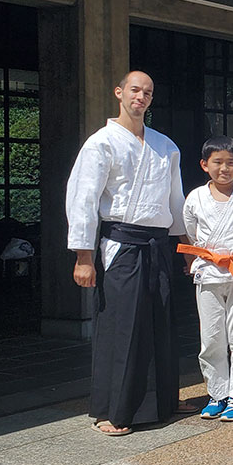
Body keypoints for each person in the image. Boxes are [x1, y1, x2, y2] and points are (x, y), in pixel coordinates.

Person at [66, 70, 186, 436]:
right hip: (121, 244)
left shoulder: (165, 145)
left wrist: (185, 248)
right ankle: (113, 409)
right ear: (119, 92)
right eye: (135, 90)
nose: (141, 97)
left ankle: (163, 401)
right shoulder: (101, 142)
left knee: (160, 323)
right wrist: (83, 256)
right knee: (122, 326)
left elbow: (175, 200)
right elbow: (83, 197)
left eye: (148, 92)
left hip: (157, 242)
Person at [179, 136, 233, 423]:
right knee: (212, 337)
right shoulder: (195, 198)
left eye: (230, 163)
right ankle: (217, 393)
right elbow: (191, 232)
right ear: (204, 165)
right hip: (209, 271)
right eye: (217, 162)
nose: (224, 168)